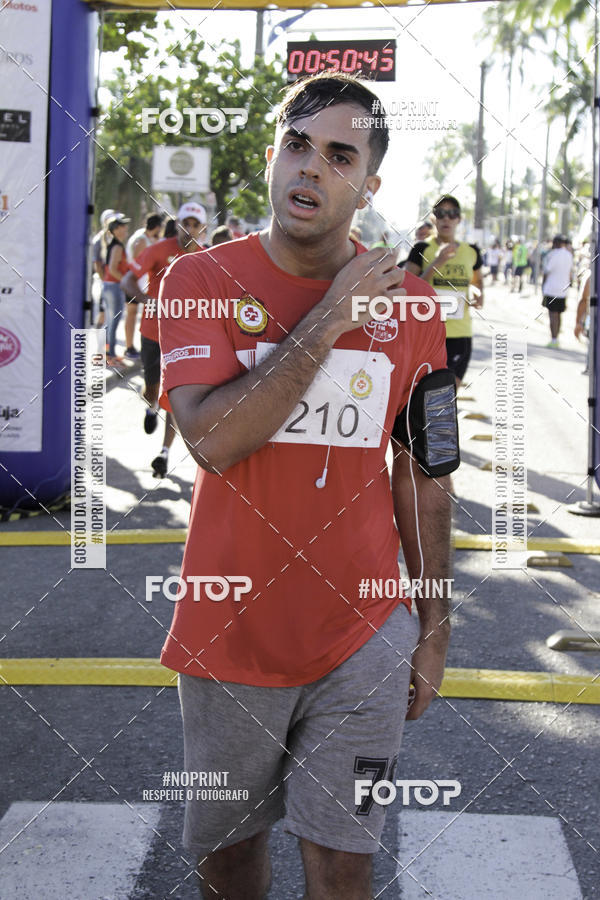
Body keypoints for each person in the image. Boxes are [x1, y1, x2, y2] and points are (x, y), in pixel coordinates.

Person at [158, 73, 455, 900]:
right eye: (297, 146)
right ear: (269, 156)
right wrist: (331, 316)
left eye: (338, 155)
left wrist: (432, 624)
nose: (311, 169)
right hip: (230, 631)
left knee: (344, 860)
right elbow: (213, 440)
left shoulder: (416, 308)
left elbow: (424, 476)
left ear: (369, 183)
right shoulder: (198, 281)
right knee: (230, 859)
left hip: (364, 634)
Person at [120, 202, 208, 478]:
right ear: (178, 224)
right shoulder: (159, 250)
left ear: (203, 228)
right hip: (151, 333)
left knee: (174, 395)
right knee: (152, 388)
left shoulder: (208, 258)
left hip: (183, 339)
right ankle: (150, 406)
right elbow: (127, 280)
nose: (190, 229)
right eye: (186, 223)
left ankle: (164, 453)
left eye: (195, 224)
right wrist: (148, 300)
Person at [405, 194, 483, 387]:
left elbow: (478, 282)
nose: (446, 218)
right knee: (422, 391)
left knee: (450, 389)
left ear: (459, 219)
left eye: (452, 213)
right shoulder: (422, 249)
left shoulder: (471, 251)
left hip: (459, 333)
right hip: (427, 332)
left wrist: (479, 296)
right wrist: (437, 262)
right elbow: (408, 290)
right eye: (441, 214)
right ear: (434, 219)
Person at [123, 213, 164, 359]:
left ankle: (132, 346)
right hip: (134, 285)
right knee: (131, 315)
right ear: (158, 227)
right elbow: (137, 263)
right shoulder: (142, 240)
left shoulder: (143, 236)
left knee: (134, 315)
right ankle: (129, 347)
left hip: (140, 285)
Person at [102, 213, 130, 369]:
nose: (126, 229)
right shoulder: (117, 246)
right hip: (113, 286)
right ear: (116, 229)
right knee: (112, 321)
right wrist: (124, 281)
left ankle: (108, 354)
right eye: (123, 226)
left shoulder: (116, 244)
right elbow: (113, 269)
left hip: (111, 286)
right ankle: (108, 355)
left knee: (111, 321)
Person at [542, 234, 573, 349]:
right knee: (559, 314)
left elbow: (547, 271)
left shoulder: (553, 255)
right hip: (563, 290)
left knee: (552, 315)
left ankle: (553, 339)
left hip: (551, 289)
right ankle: (557, 338)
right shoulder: (569, 255)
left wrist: (543, 285)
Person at [91, 209, 115, 327]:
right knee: (103, 310)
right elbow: (97, 262)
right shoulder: (98, 240)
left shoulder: (112, 238)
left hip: (112, 280)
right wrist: (104, 280)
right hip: (104, 281)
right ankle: (99, 336)